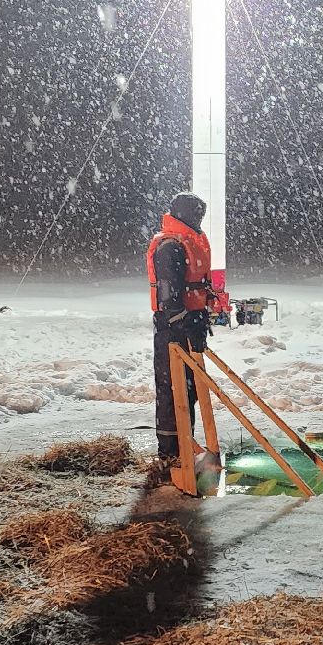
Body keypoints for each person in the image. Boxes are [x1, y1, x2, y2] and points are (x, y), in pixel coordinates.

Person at [149, 192, 214, 464]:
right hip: (173, 329)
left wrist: (201, 317)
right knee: (172, 388)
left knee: (189, 389)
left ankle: (186, 444)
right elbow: (169, 297)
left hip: (192, 323)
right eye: (196, 213)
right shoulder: (170, 246)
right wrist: (185, 321)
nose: (200, 219)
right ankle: (171, 453)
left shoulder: (189, 240)